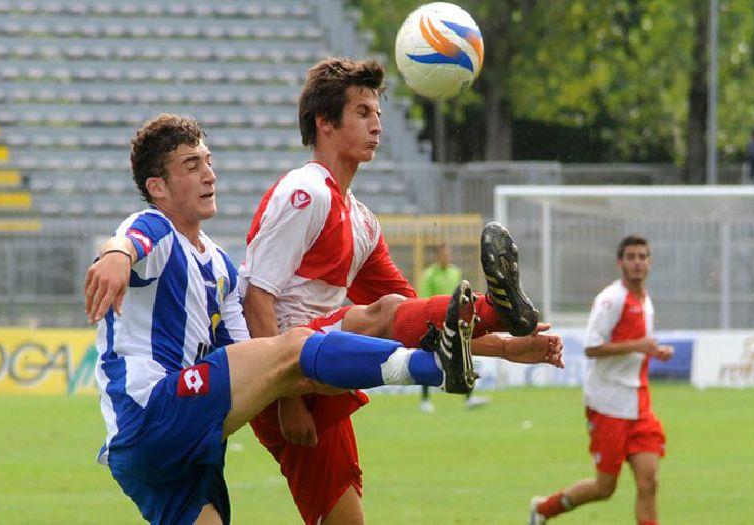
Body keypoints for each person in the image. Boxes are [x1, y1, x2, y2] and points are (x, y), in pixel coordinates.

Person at [82, 113, 482, 525]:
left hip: (167, 446)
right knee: (292, 346)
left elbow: (254, 356)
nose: (209, 175)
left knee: (288, 358)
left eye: (208, 161)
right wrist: (116, 255)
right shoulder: (158, 228)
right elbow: (129, 239)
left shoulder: (220, 265)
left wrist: (309, 384)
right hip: (153, 407)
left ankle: (428, 361)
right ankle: (432, 366)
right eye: (191, 165)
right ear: (157, 187)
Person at [242, 57, 550, 525]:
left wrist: (506, 349)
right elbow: (255, 298)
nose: (377, 125)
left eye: (378, 114)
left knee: (345, 520)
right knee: (381, 311)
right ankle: (498, 306)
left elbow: (423, 320)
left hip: (321, 371)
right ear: (325, 123)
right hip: (284, 372)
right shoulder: (305, 193)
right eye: (363, 113)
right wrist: (283, 394)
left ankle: (500, 313)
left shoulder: (362, 220)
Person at [529, 235, 674, 525]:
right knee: (605, 487)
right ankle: (544, 509)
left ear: (650, 262)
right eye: (631, 257)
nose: (637, 262)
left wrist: (653, 350)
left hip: (639, 404)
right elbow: (591, 347)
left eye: (642, 257)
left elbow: (637, 344)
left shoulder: (645, 300)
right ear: (620, 262)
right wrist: (638, 345)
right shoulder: (612, 299)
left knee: (649, 482)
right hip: (608, 404)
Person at [417, 243, 490, 412]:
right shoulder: (429, 275)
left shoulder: (454, 272)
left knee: (464, 357)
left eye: (448, 253)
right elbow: (425, 300)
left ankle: (469, 397)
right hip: (436, 323)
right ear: (437, 256)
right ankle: (425, 400)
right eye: (443, 253)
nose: (446, 256)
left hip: (455, 323)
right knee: (429, 359)